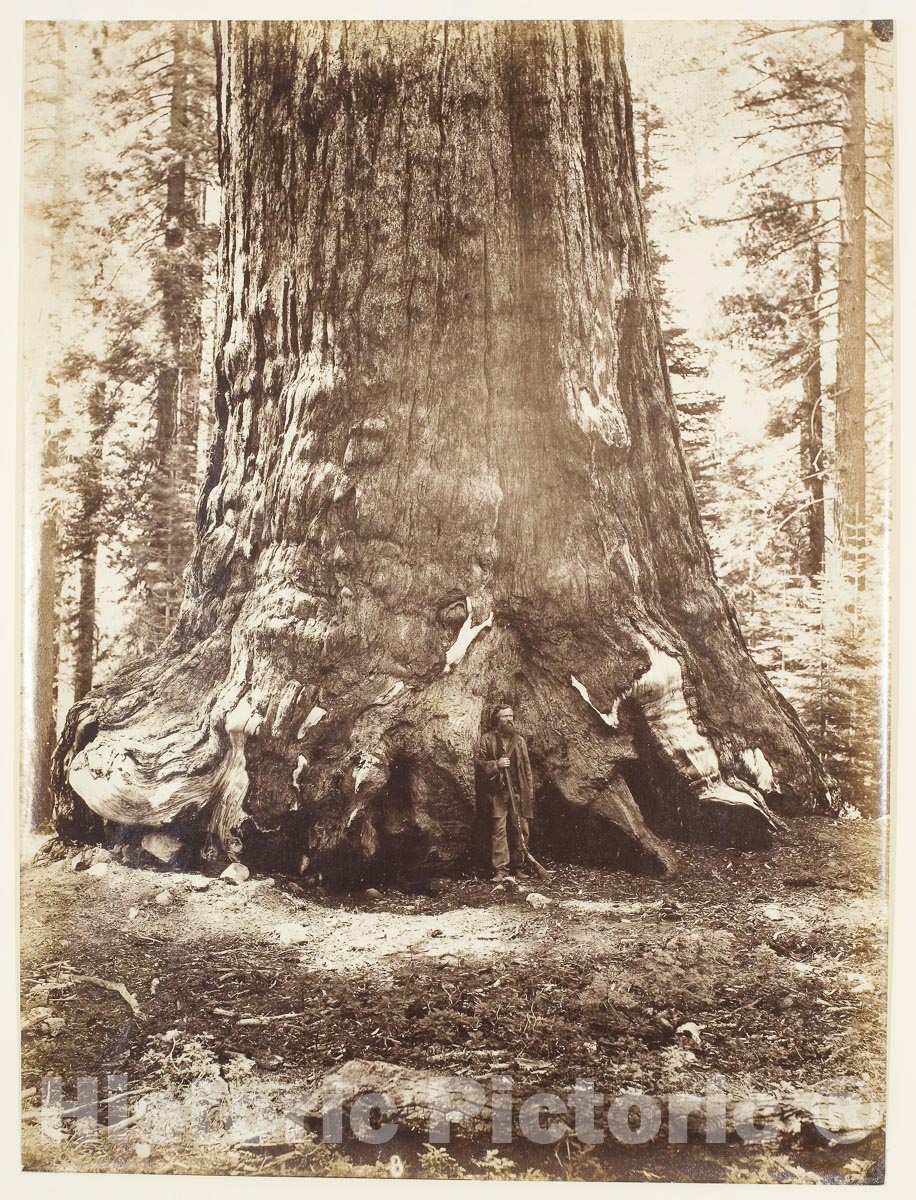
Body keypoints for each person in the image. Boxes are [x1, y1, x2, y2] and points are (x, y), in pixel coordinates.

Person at [476, 704, 534, 882]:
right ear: (497, 720)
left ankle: (519, 867)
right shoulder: (487, 739)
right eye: (504, 716)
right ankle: (501, 870)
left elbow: (527, 769)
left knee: (521, 829)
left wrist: (529, 793)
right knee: (499, 830)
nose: (509, 719)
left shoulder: (520, 741)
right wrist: (496, 764)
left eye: (511, 716)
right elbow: (478, 763)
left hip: (517, 792)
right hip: (497, 793)